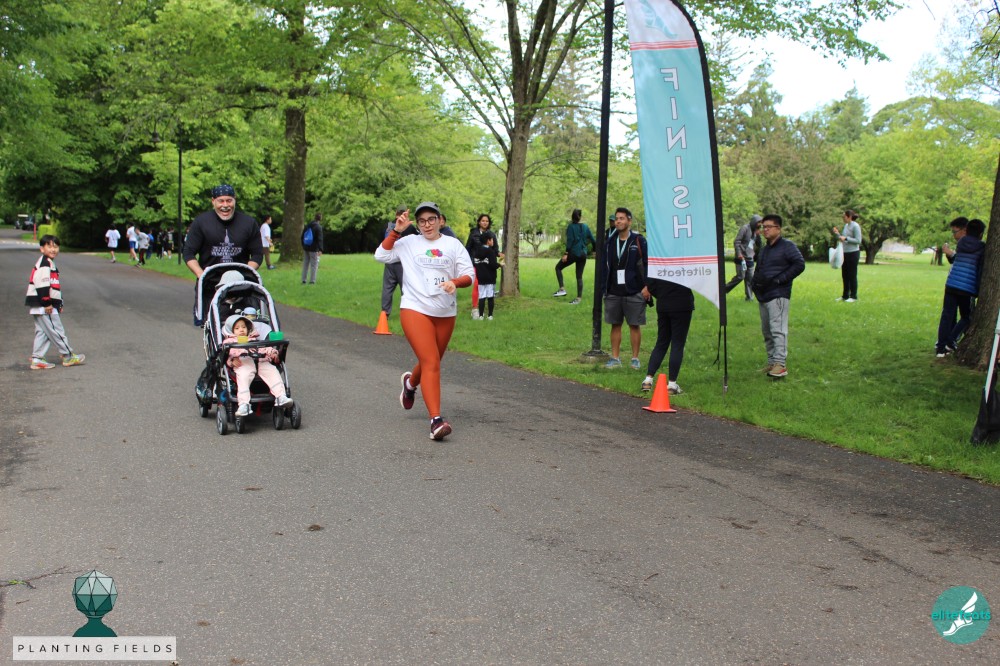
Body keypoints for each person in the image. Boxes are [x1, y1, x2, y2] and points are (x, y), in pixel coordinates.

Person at [374, 201, 474, 441]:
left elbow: (469, 274)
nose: (427, 225)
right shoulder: (409, 242)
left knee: (432, 360)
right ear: (417, 224)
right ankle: (436, 421)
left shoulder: (452, 244)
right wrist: (396, 230)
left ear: (440, 220)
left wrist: (455, 282)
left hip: (445, 313)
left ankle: (410, 384)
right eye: (422, 221)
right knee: (431, 362)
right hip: (415, 308)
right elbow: (381, 255)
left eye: (431, 219)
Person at [751, 214, 806, 378]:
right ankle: (772, 362)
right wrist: (754, 284)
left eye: (769, 227)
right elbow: (759, 268)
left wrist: (780, 279)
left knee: (778, 330)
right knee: (767, 331)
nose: (765, 230)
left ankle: (780, 365)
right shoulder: (765, 249)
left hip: (778, 294)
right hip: (763, 294)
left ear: (778, 228)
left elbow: (799, 264)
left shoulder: (787, 246)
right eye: (763, 227)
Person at [25, 235, 86, 370]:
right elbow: (42, 285)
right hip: (44, 305)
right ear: (42, 249)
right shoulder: (45, 264)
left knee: (43, 332)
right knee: (56, 330)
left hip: (42, 305)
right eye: (49, 246)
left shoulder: (48, 263)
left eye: (56, 246)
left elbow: (54, 286)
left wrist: (59, 303)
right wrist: (47, 303)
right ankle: (68, 355)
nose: (53, 249)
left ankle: (37, 358)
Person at [602, 207, 650, 370]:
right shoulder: (610, 242)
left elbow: (647, 264)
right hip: (613, 291)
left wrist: (647, 286)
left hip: (634, 290)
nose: (618, 221)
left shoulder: (638, 240)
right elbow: (604, 266)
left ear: (629, 221)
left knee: (634, 325)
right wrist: (604, 288)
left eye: (622, 218)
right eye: (616, 219)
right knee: (615, 324)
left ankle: (635, 359)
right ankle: (615, 358)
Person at [222, 314, 293, 417]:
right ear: (231, 331)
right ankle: (244, 404)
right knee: (243, 376)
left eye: (243, 327)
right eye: (237, 328)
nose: (241, 330)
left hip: (261, 362)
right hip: (243, 363)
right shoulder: (229, 342)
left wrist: (273, 353)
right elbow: (227, 355)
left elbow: (265, 348)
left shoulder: (254, 340)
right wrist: (232, 360)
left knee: (272, 371)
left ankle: (281, 396)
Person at [936, 217, 986, 357]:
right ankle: (951, 340)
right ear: (981, 234)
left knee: (947, 316)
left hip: (951, 284)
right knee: (967, 317)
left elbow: (956, 258)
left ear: (966, 231)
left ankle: (940, 348)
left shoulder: (961, 243)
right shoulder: (982, 247)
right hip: (967, 287)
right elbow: (980, 268)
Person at [641, 278, 694, 396]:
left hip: (664, 303)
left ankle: (648, 380)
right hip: (682, 303)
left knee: (661, 343)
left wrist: (661, 294)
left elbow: (651, 284)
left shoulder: (658, 265)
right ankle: (672, 384)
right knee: (677, 344)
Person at [554, 209, 596, 305]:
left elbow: (570, 241)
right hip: (583, 254)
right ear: (580, 217)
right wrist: (594, 250)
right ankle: (578, 299)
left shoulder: (571, 227)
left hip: (574, 253)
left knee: (558, 268)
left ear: (572, 217)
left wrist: (566, 254)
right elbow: (593, 240)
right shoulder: (585, 226)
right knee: (579, 276)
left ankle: (562, 289)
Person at [381, 205, 411, 316]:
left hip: (389, 261)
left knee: (387, 289)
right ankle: (408, 313)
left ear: (396, 213)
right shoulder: (409, 227)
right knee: (406, 289)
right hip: (403, 263)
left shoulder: (387, 226)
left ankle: (384, 314)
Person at [724, 214, 762, 301]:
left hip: (750, 258)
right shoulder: (745, 228)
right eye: (758, 222)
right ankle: (724, 289)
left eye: (761, 223)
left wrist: (758, 236)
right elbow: (737, 241)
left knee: (750, 279)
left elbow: (759, 245)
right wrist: (739, 254)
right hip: (741, 258)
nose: (760, 224)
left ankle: (749, 297)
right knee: (740, 277)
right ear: (754, 221)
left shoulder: (756, 232)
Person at [833, 210, 862, 302]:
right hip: (845, 253)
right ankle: (845, 295)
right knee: (845, 275)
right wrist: (838, 234)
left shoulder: (855, 226)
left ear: (849, 217)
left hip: (853, 253)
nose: (843, 218)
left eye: (844, 217)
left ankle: (853, 296)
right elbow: (843, 239)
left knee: (852, 275)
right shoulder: (846, 226)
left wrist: (846, 238)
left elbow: (858, 240)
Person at [473, 231, 501, 320]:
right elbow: (493, 265)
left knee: (481, 297)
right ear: (488, 241)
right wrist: (500, 264)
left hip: (480, 277)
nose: (493, 241)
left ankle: (481, 316)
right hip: (490, 278)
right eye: (492, 239)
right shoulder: (490, 251)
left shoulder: (477, 251)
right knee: (490, 297)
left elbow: (476, 263)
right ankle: (490, 315)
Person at [301, 212, 323, 284]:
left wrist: (303, 245)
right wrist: (320, 249)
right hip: (313, 248)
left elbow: (302, 236)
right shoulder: (318, 227)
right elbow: (320, 239)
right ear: (320, 219)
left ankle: (303, 279)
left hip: (306, 247)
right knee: (314, 265)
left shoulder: (308, 225)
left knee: (305, 264)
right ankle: (312, 280)